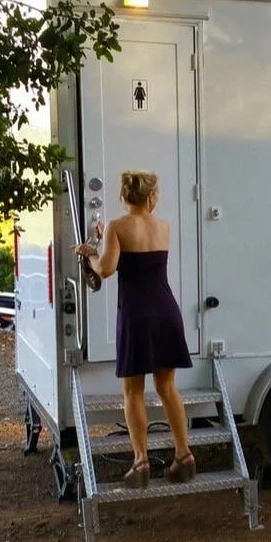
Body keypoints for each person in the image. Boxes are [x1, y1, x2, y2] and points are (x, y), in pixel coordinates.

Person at [75, 171, 195, 488]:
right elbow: (139, 254)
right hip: (167, 311)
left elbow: (107, 268)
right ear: (151, 197)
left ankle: (141, 463)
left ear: (126, 197)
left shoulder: (117, 226)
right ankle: (184, 457)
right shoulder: (163, 226)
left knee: (134, 392)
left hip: (136, 314)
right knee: (168, 387)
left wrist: (91, 254)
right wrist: (106, 241)